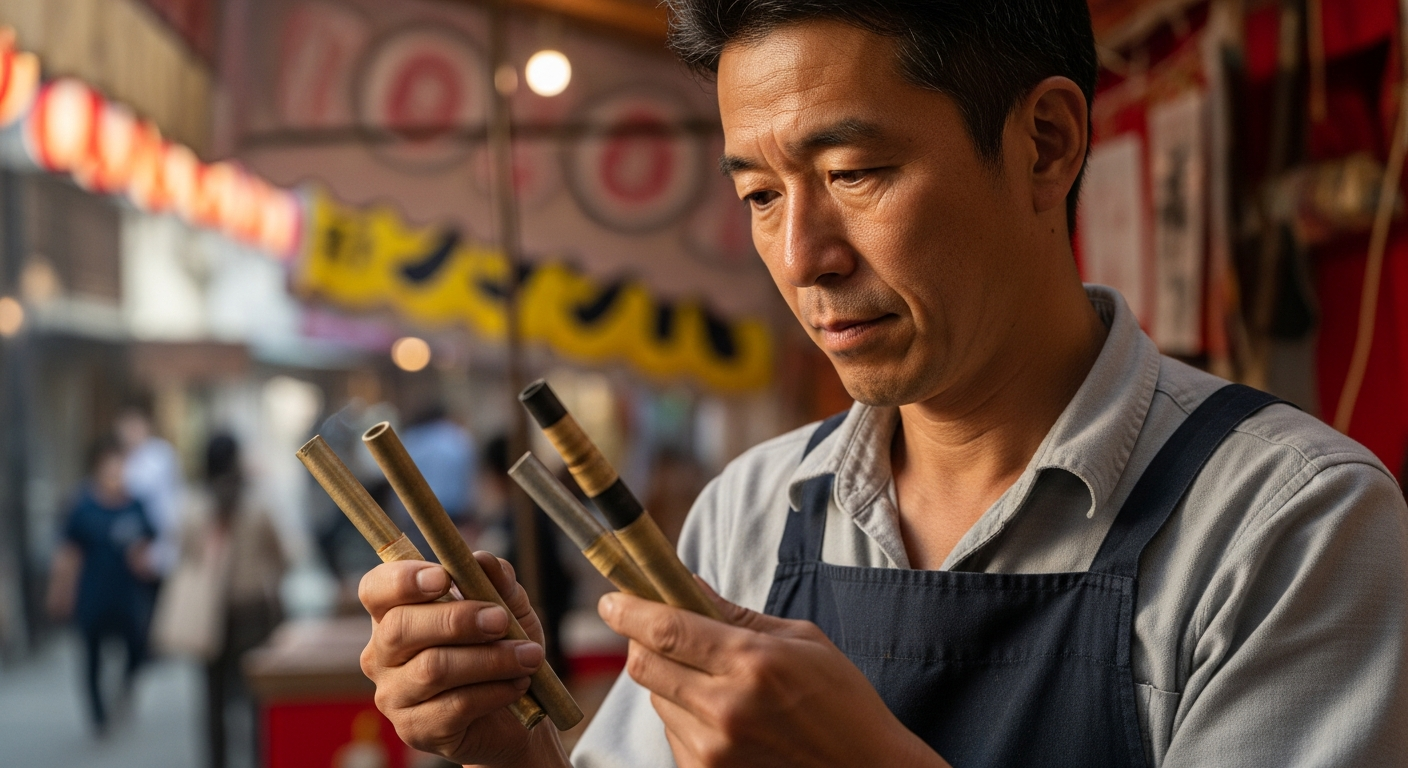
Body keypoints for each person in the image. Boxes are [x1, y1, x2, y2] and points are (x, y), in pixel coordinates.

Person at [354, 2, 1408, 766]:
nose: (803, 255)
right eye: (761, 194)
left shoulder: (1290, 522)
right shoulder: (755, 511)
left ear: (1046, 144)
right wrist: (506, 746)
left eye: (853, 175)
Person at [175, 434, 288, 768]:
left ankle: (216, 760)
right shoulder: (255, 506)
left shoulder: (195, 509)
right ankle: (259, 759)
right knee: (257, 698)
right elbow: (283, 556)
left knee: (213, 700)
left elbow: (185, 557)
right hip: (253, 611)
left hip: (210, 614)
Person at [46, 437, 158, 736]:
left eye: (120, 468)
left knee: (137, 649)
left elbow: (150, 540)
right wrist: (60, 591)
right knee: (91, 655)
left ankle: (125, 686)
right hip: (93, 592)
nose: (116, 474)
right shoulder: (83, 508)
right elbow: (68, 553)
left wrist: (142, 557)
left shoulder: (135, 504)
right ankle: (98, 714)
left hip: (128, 594)